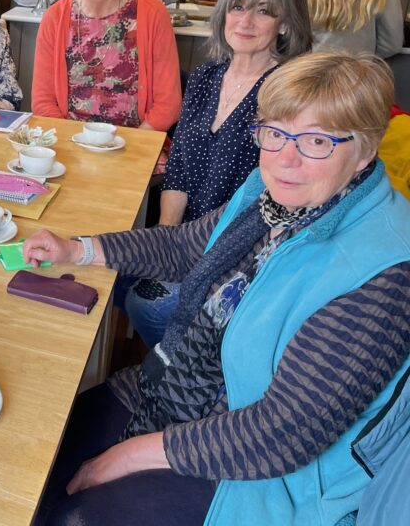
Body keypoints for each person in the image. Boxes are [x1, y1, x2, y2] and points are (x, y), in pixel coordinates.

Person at [23, 52, 410, 526]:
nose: (286, 159)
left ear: (365, 150)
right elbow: (185, 247)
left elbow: (283, 434)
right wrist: (77, 249)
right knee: (29, 455)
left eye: (315, 141)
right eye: (276, 133)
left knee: (71, 516)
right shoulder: (268, 195)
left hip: (256, 475)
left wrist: (125, 457)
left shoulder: (385, 272)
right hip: (172, 393)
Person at [124, 0, 314, 346]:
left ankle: (184, 377)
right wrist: (165, 238)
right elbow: (179, 170)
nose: (245, 20)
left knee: (151, 306)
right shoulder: (206, 77)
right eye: (238, 6)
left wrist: (193, 257)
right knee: (115, 272)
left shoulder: (287, 93)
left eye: (264, 10)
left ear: (285, 24)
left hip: (240, 250)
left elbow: (277, 199)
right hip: (186, 238)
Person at [32, 0, 180, 131]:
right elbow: (43, 101)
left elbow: (169, 104)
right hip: (70, 141)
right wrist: (72, 143)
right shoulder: (55, 17)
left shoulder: (153, 13)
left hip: (137, 141)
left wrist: (135, 146)